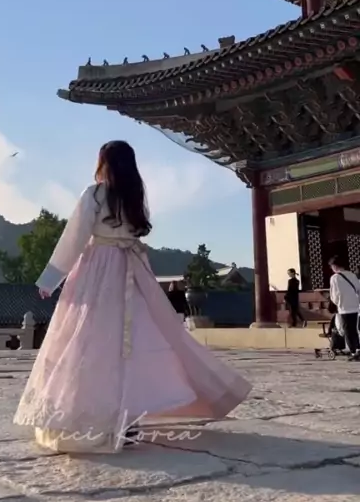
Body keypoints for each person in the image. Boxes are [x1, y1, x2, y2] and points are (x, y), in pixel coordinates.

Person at [14, 140, 251, 453]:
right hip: (132, 270)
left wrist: (51, 279)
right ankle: (128, 420)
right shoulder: (135, 196)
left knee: (91, 340)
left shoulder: (94, 194)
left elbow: (74, 237)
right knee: (131, 345)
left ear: (103, 163)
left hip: (98, 270)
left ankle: (95, 415)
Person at [329, 255, 360, 361]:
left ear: (334, 266)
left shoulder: (335, 278)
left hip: (344, 307)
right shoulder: (352, 275)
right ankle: (358, 349)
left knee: (347, 331)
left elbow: (334, 295)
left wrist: (337, 303)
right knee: (354, 330)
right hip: (355, 306)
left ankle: (353, 352)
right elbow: (358, 289)